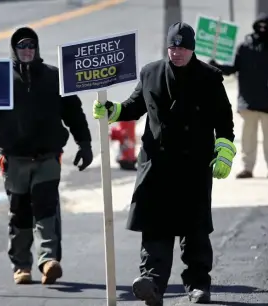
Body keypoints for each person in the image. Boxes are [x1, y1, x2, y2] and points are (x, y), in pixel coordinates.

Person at [93, 22, 236, 305]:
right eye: (172, 47)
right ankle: (152, 283)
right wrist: (112, 111)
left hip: (193, 166)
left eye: (182, 47)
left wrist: (224, 154)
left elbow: (224, 121)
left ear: (192, 48)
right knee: (155, 226)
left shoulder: (209, 78)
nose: (177, 52)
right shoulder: (150, 73)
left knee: (193, 228)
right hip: (156, 166)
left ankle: (198, 285)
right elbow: (134, 107)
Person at [0, 27, 93, 285]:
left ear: (37, 49)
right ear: (14, 49)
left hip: (47, 157)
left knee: (46, 209)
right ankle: (22, 265)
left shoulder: (54, 77)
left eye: (31, 46)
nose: (27, 50)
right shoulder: (2, 79)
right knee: (20, 213)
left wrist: (85, 143)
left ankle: (48, 261)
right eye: (22, 46)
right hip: (15, 160)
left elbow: (74, 113)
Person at [209, 13, 268, 179]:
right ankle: (247, 168)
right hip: (248, 101)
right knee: (248, 139)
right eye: (260, 25)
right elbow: (232, 68)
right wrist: (216, 66)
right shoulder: (244, 47)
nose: (263, 29)